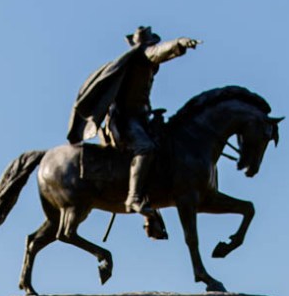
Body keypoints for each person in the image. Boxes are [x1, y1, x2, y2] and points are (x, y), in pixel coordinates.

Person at [67, 26, 199, 214]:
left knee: (166, 148)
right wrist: (179, 42)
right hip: (126, 120)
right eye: (153, 43)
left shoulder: (138, 62)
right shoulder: (143, 56)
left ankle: (151, 208)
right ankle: (134, 198)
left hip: (141, 118)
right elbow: (160, 52)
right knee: (146, 148)